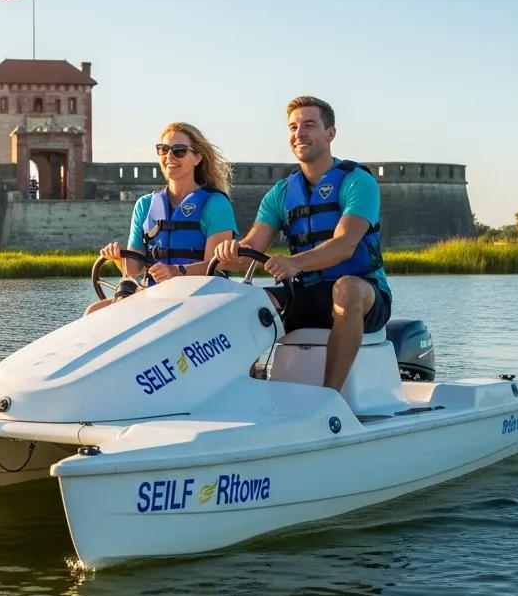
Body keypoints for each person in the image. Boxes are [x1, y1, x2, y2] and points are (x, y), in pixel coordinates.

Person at [214, 96, 392, 390]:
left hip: (364, 294)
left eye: (309, 125)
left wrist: (294, 263)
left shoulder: (357, 181)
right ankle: (247, 389)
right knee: (243, 303)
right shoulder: (281, 193)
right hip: (307, 294)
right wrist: (231, 251)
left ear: (330, 133)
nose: (300, 134)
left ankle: (329, 398)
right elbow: (251, 249)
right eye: (293, 127)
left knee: (345, 288)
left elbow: (345, 244)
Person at [87, 122, 237, 314]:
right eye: (163, 149)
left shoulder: (216, 204)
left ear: (197, 158)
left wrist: (176, 272)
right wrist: (117, 257)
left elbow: (215, 266)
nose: (169, 156)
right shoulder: (145, 205)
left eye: (179, 150)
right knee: (93, 311)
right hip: (155, 297)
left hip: (200, 299)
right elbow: (133, 269)